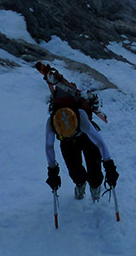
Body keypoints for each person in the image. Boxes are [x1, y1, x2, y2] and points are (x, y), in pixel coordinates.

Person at [37, 62, 119, 202]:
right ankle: (82, 184)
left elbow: (98, 141)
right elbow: (49, 147)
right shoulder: (53, 121)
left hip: (84, 138)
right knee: (76, 172)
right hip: (68, 142)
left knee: (94, 171)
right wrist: (52, 172)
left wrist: (109, 166)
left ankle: (94, 187)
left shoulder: (79, 117)